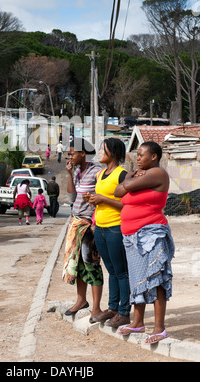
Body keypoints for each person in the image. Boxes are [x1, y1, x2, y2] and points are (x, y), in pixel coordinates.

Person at [114, 141, 175, 344]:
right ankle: (138, 322)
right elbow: (117, 192)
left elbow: (126, 186)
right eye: (137, 155)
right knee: (138, 280)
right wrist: (131, 178)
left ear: (154, 157)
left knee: (156, 279)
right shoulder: (142, 175)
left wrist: (130, 177)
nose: (137, 158)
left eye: (141, 155)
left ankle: (159, 328)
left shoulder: (158, 173)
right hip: (131, 236)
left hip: (151, 233)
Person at [84, 138, 131, 327]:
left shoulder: (123, 175)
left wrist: (103, 198)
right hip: (100, 228)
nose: (100, 153)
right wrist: (93, 200)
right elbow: (103, 201)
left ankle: (124, 312)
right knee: (111, 270)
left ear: (114, 152)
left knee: (121, 272)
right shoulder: (100, 174)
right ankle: (112, 308)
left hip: (116, 228)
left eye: (103, 149)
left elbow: (125, 204)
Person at [63, 137, 103, 321]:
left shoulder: (97, 171)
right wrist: (70, 174)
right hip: (77, 224)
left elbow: (103, 196)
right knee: (78, 265)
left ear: (82, 153)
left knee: (92, 264)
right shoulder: (78, 171)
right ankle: (81, 301)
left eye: (72, 153)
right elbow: (71, 198)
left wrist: (96, 224)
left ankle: (96, 309)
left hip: (90, 226)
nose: (69, 156)